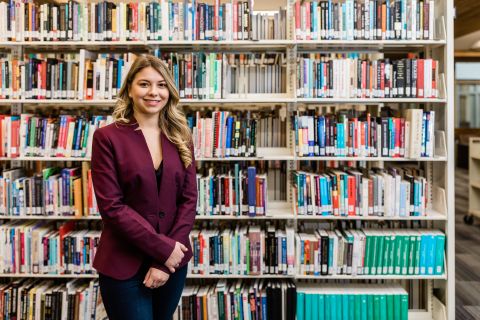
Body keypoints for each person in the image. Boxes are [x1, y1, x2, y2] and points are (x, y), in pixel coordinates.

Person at [91, 54, 197, 320]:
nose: (154, 92)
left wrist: (165, 260)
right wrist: (163, 249)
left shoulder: (181, 136)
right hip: (123, 263)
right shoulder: (107, 138)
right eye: (144, 84)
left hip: (172, 264)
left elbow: (188, 201)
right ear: (129, 89)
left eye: (161, 85)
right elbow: (112, 207)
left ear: (169, 92)